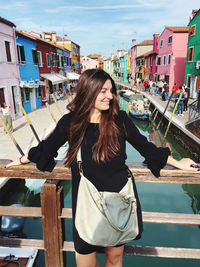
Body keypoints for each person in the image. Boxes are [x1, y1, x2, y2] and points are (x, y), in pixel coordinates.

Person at [5, 69, 198, 267]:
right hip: (86, 205)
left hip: (118, 202)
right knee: (84, 263)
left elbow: (146, 148)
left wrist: (176, 163)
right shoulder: (71, 123)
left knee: (114, 260)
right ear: (88, 91)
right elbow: (46, 148)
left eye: (111, 91)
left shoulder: (119, 120)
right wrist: (21, 159)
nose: (110, 96)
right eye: (103, 91)